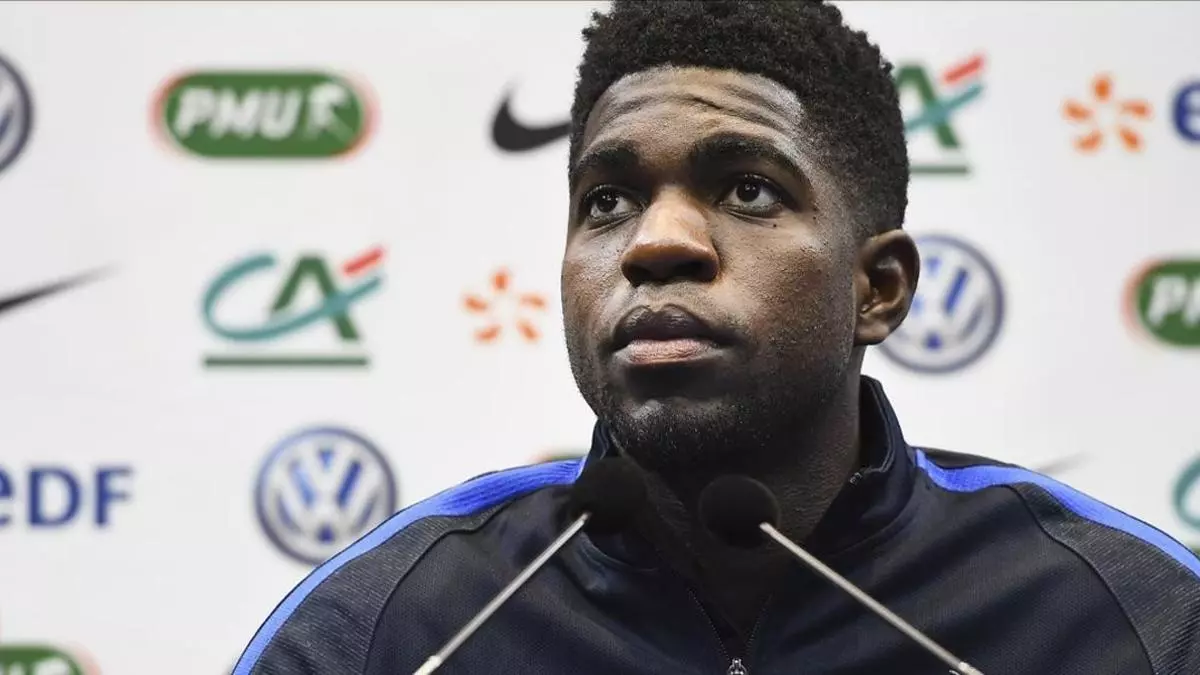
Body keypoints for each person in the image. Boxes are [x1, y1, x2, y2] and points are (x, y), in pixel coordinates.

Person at [233, 2, 1200, 673]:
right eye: (607, 200)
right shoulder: (394, 624)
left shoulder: (1122, 616)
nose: (655, 243)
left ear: (879, 289)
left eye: (747, 189)